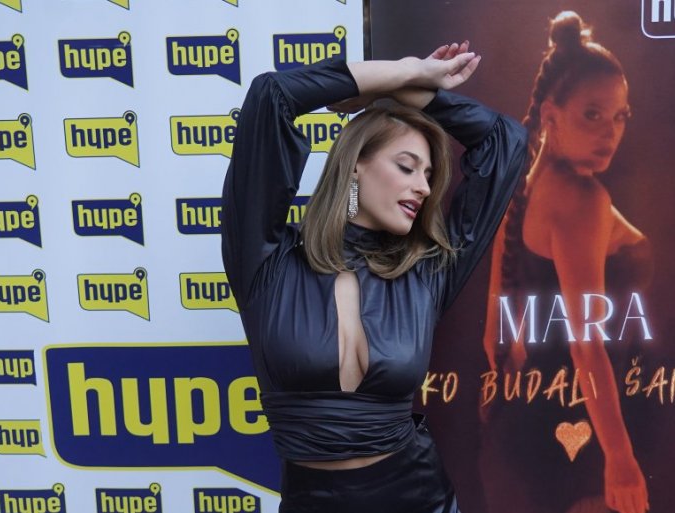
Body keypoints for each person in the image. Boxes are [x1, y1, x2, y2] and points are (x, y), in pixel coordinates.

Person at [221, 42, 527, 512]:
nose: (423, 186)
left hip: (420, 497)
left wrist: (414, 95)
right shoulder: (266, 263)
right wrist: (403, 72)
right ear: (355, 166)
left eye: (428, 175)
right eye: (406, 167)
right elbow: (272, 97)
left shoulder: (426, 272)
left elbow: (506, 143)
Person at [479, 11, 650, 513]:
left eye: (620, 116)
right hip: (578, 442)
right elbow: (587, 347)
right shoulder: (580, 200)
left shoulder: (524, 190)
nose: (610, 132)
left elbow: (493, 336)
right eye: (593, 115)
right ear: (551, 115)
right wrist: (619, 457)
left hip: (521, 436)